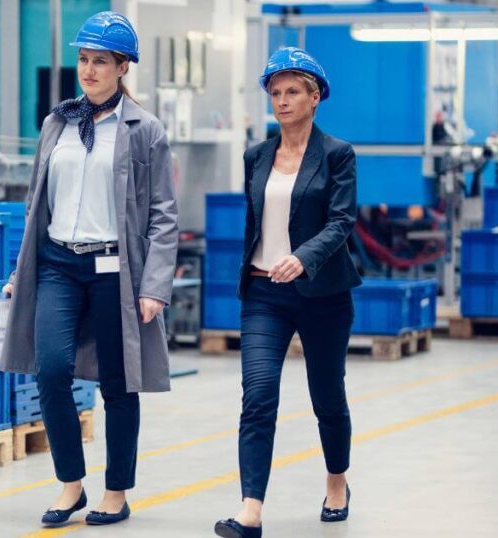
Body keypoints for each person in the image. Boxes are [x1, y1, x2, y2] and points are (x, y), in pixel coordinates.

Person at [0, 10, 178, 528]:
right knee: (50, 369)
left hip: (114, 270)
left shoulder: (145, 130)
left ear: (123, 66)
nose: (89, 70)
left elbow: (164, 212)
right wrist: (21, 270)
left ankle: (116, 491)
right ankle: (70, 483)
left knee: (118, 383)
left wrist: (155, 286)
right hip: (58, 262)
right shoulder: (57, 122)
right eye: (83, 59)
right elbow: (38, 202)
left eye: (100, 61)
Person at [214, 47, 362, 538]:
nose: (282, 101)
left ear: (314, 96)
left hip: (322, 293)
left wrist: (304, 257)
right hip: (263, 293)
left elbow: (342, 220)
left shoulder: (338, 154)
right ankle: (250, 510)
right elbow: (258, 222)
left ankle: (336, 482)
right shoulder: (256, 155)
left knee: (327, 397)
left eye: (292, 91)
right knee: (257, 397)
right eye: (275, 93)